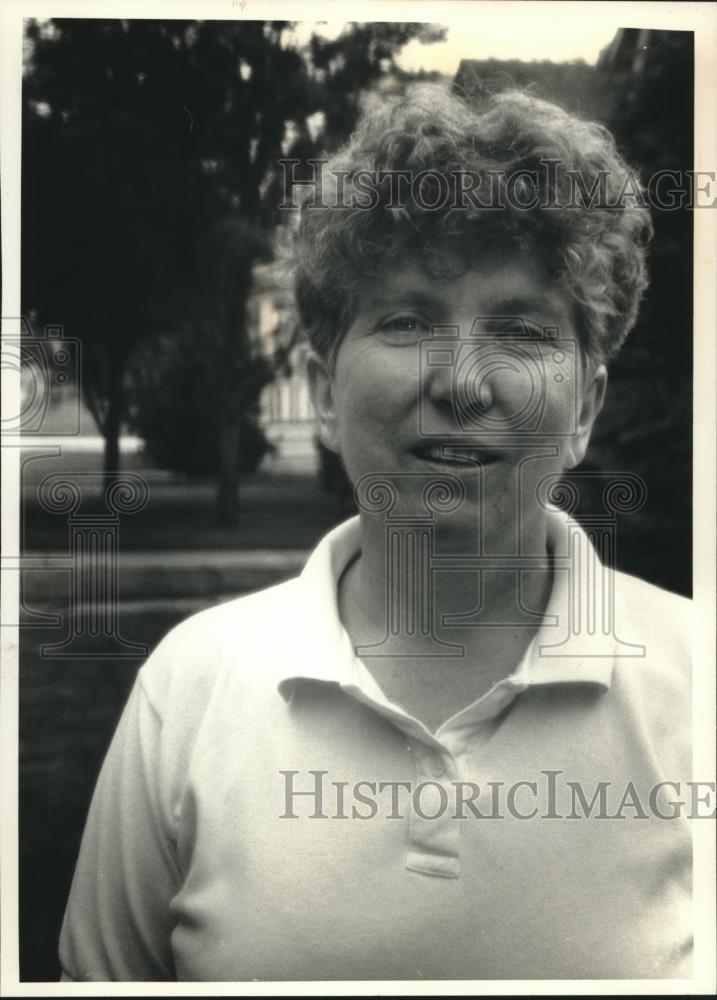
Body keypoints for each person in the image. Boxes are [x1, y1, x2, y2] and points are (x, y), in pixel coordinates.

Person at [59, 84, 692, 982]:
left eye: (519, 328)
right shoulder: (188, 691)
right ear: (323, 393)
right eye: (406, 321)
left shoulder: (697, 684)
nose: (462, 383)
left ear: (584, 407)